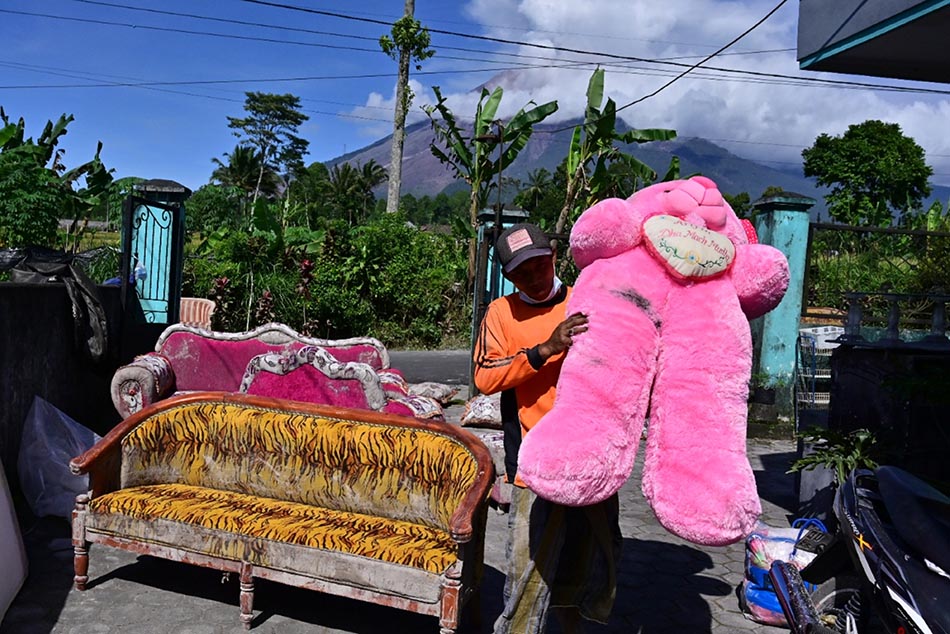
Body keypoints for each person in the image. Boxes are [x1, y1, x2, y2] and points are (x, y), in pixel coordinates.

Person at [473, 223, 622, 634]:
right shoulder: (501, 314)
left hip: (591, 458)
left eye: (540, 265)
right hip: (532, 463)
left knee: (587, 553)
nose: (535, 278)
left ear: (553, 258)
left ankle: (571, 625)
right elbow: (485, 377)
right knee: (528, 561)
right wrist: (545, 350)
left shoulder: (585, 302)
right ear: (508, 277)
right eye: (522, 273)